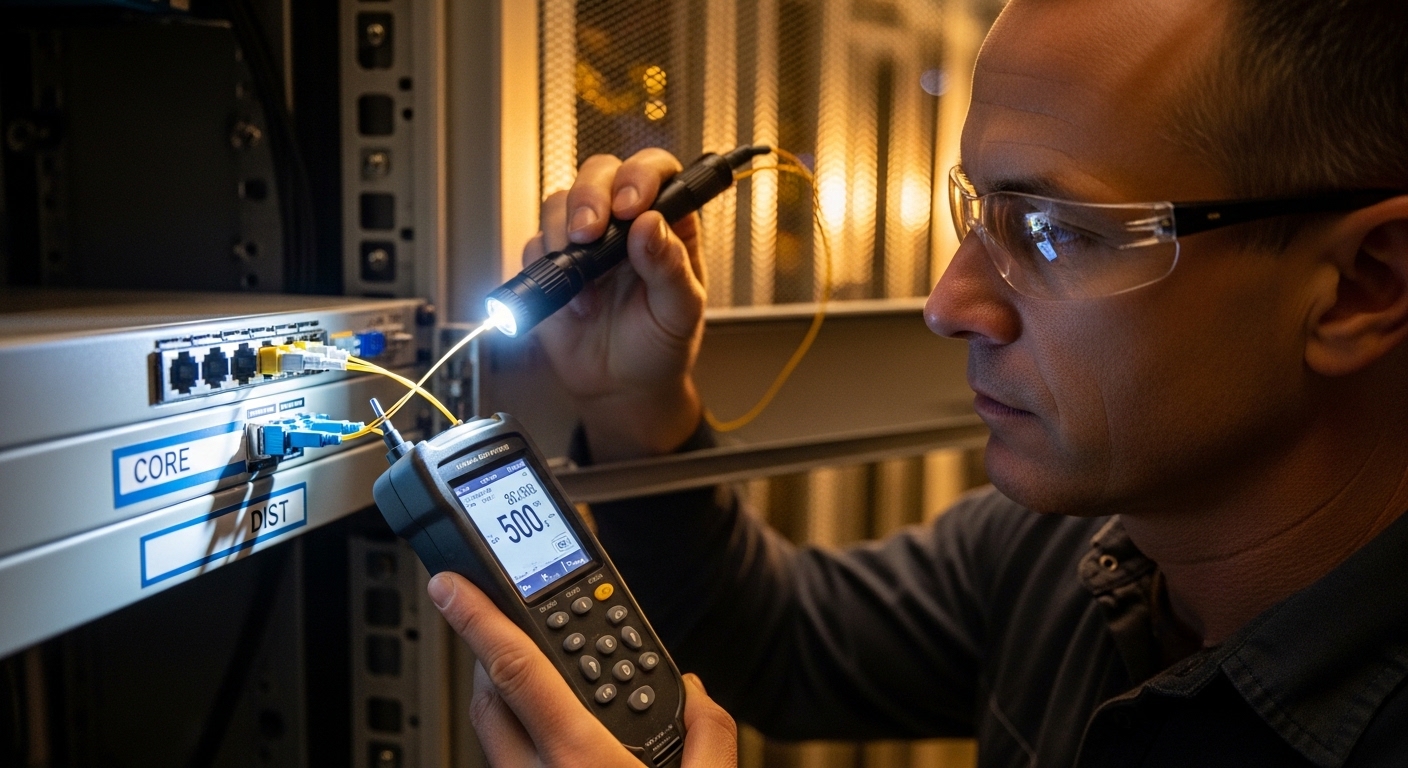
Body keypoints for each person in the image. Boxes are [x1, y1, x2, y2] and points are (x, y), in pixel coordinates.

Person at [426, 0, 1408, 764]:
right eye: (977, 206)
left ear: (1364, 285)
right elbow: (782, 647)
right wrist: (636, 407)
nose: (948, 303)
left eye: (1055, 230)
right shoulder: (1068, 551)